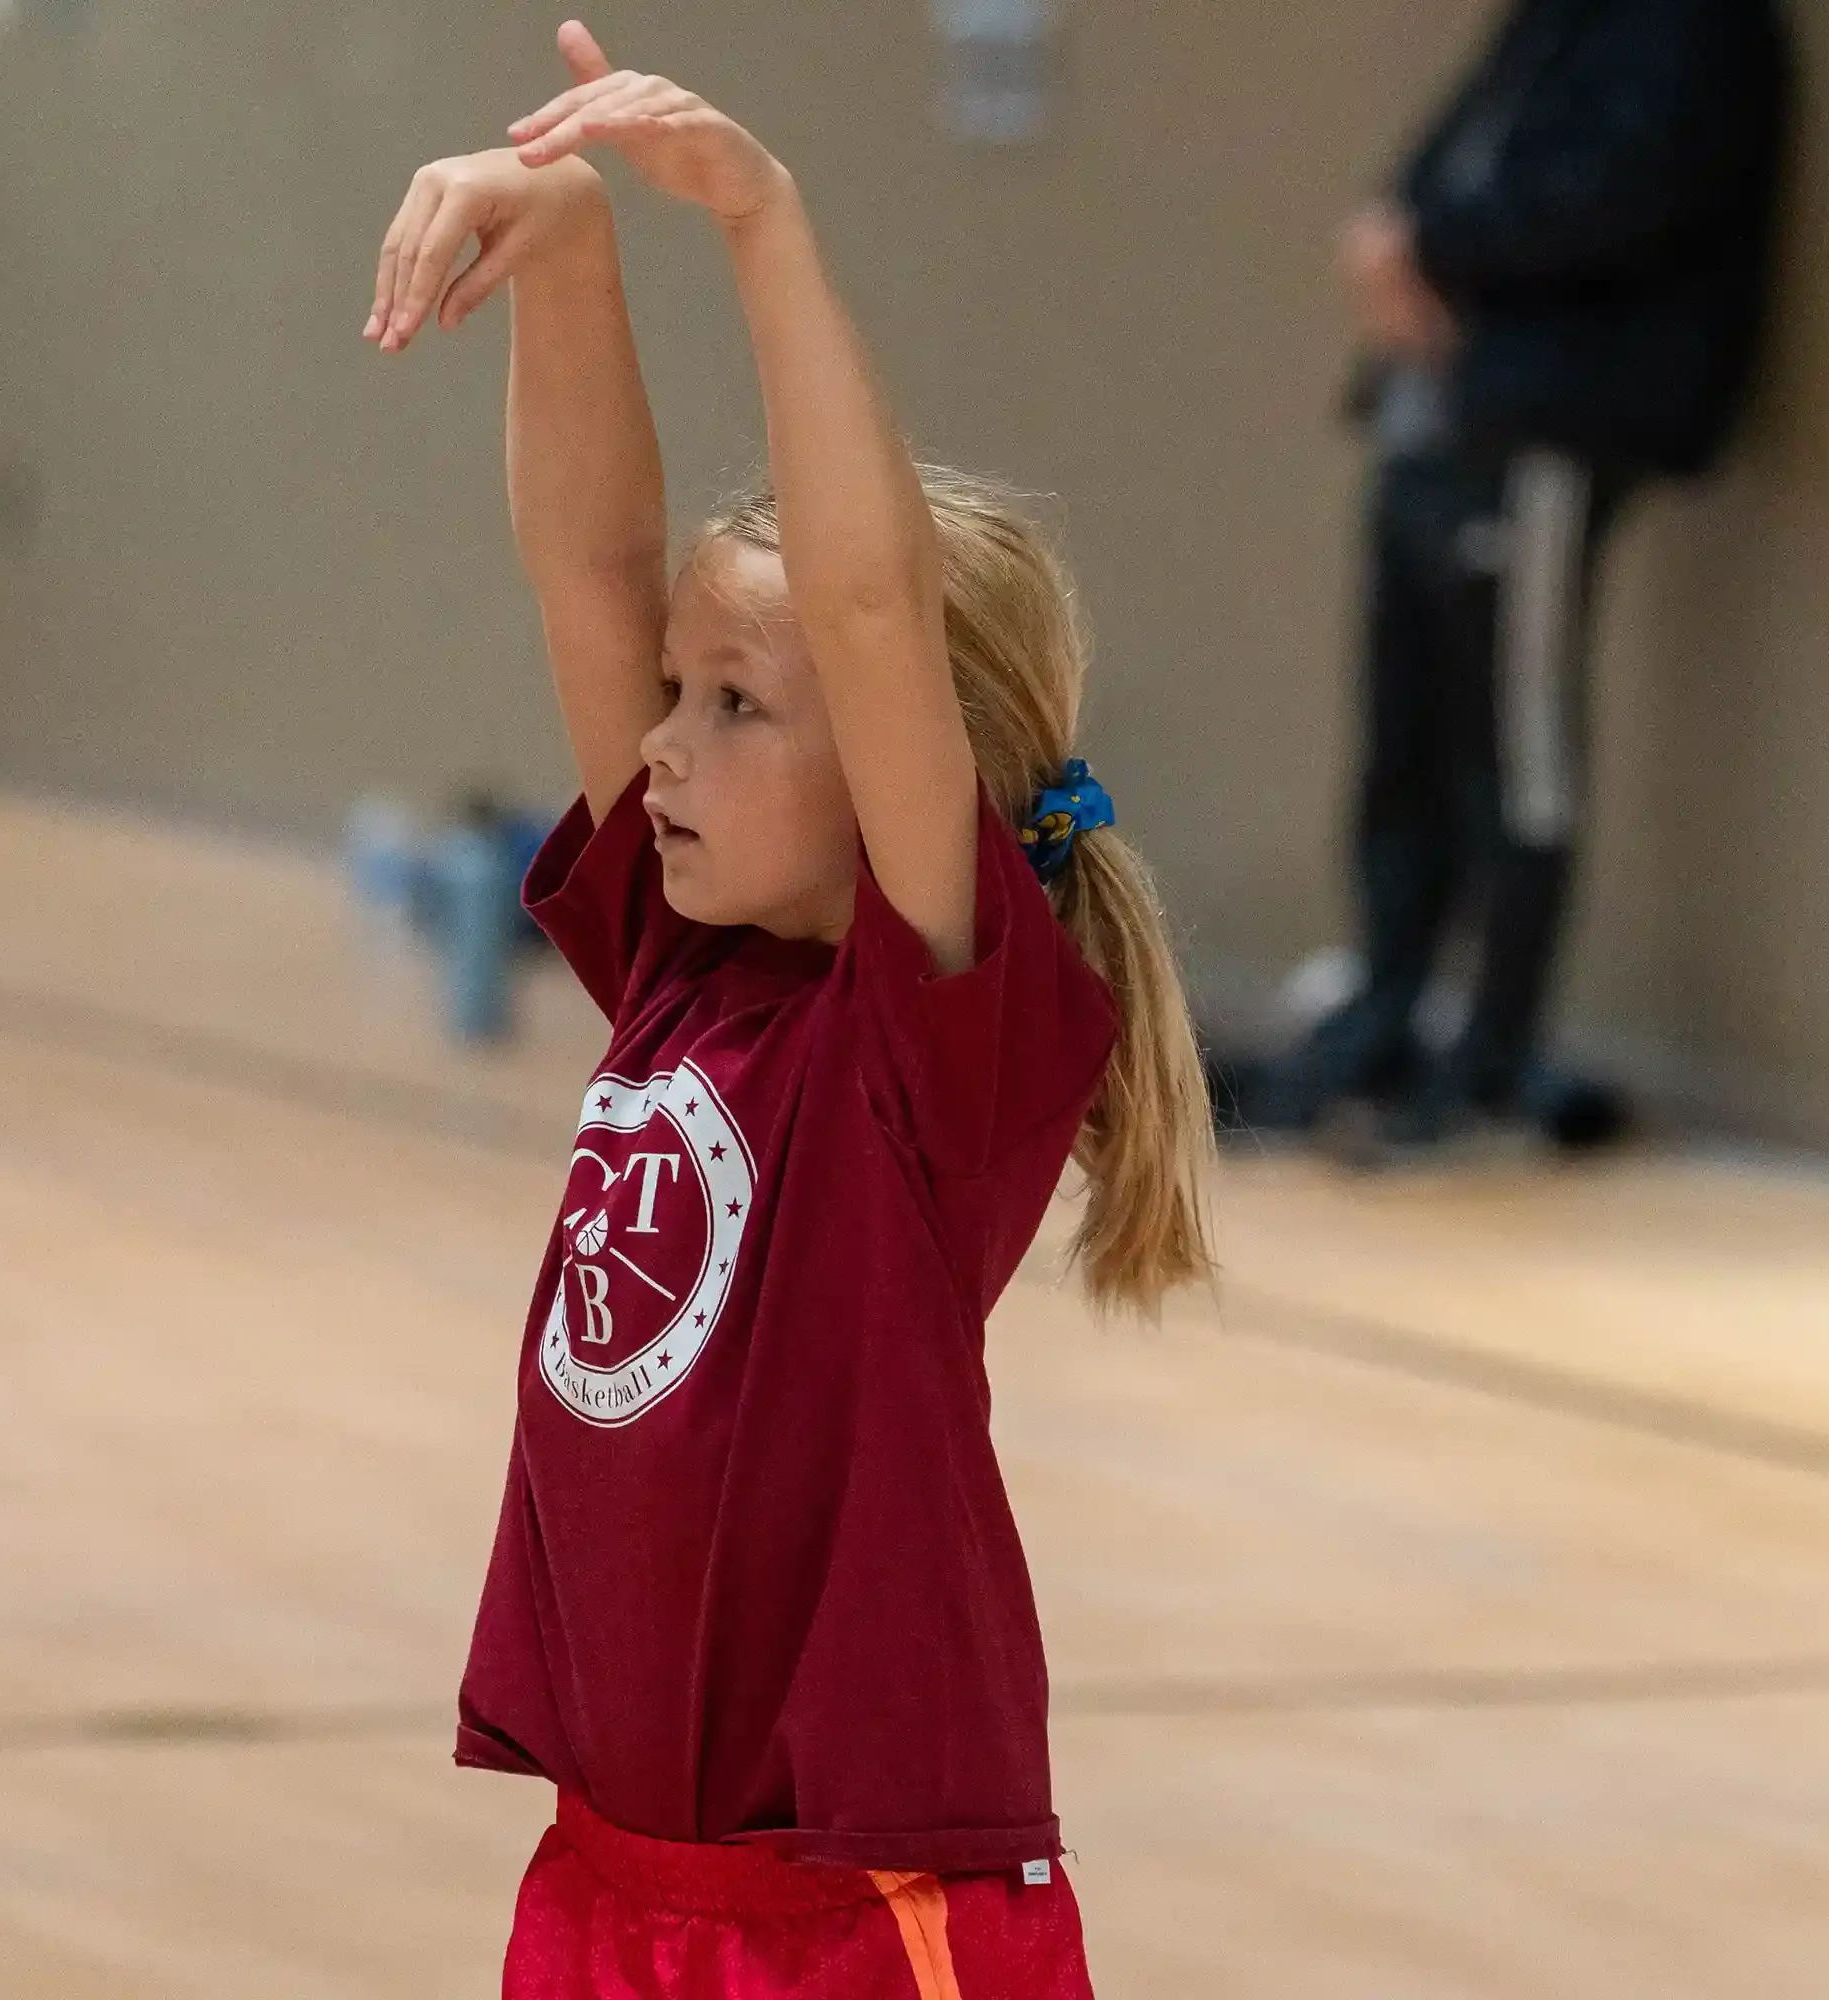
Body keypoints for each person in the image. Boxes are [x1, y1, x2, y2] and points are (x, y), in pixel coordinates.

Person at [363, 22, 1215, 1994]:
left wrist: (759, 222)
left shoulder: (928, 1049)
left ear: (924, 758)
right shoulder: (677, 968)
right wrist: (565, 254)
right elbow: (589, 567)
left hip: (855, 1927)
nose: (657, 746)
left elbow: (856, 605)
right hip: (606, 1888)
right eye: (677, 694)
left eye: (731, 708)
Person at [1255, 0, 1793, 1146]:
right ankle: (1386, 1019)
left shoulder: (1692, 32)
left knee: (1516, 752)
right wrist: (1392, 242)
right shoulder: (1548, 22)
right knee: (1403, 747)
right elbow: (1435, 174)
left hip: (1547, 425)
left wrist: (1432, 245)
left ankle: (1491, 1058)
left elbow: (1611, 197)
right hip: (1436, 417)